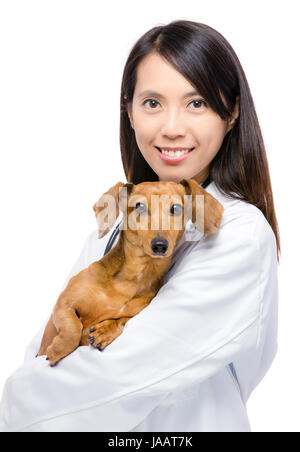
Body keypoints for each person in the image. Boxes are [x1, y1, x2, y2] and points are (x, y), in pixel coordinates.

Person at [0, 20, 280, 432]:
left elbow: (112, 378)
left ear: (232, 112)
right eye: (152, 103)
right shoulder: (114, 229)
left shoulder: (238, 234)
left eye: (196, 102)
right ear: (128, 111)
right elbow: (47, 349)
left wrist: (13, 402)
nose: (171, 127)